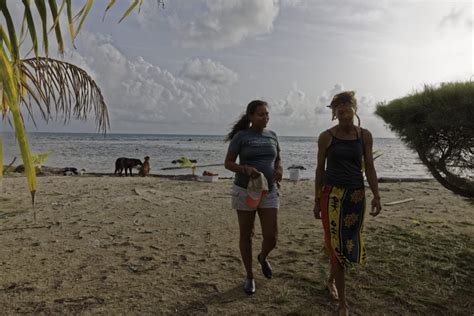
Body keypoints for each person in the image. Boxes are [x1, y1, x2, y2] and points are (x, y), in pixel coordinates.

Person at [313, 91, 382, 315]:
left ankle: (331, 279)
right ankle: (343, 304)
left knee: (347, 244)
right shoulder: (326, 137)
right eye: (339, 111)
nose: (344, 115)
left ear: (355, 110)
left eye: (347, 110)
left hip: (356, 197)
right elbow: (319, 170)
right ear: (334, 113)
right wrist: (316, 199)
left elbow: (369, 167)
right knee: (337, 247)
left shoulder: (365, 136)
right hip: (331, 196)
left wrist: (376, 195)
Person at [224, 100, 283, 295]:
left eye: (267, 114)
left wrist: (279, 168)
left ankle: (263, 256)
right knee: (246, 234)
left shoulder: (272, 135)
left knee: (271, 237)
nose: (265, 118)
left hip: (269, 191)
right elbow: (228, 163)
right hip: (245, 190)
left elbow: (278, 157)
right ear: (250, 116)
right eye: (261, 114)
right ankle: (249, 276)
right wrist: (245, 169)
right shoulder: (241, 137)